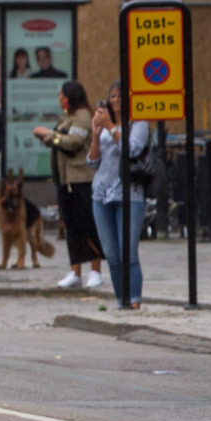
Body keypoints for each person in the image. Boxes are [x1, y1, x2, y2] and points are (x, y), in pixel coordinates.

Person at [35, 79, 104, 292]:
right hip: (65, 180)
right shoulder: (68, 117)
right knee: (71, 227)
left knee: (87, 224)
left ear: (70, 96)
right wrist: (50, 138)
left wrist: (50, 135)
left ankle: (96, 270)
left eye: (62, 95)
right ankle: (75, 271)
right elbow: (60, 141)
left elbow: (73, 143)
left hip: (81, 179)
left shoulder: (83, 117)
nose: (59, 99)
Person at [89, 82, 152, 311]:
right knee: (112, 254)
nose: (115, 101)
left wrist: (111, 128)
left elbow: (132, 148)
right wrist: (96, 134)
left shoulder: (138, 122)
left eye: (120, 97)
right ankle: (120, 300)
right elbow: (93, 161)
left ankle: (134, 299)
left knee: (128, 251)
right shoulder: (104, 125)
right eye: (112, 96)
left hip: (129, 194)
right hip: (102, 194)